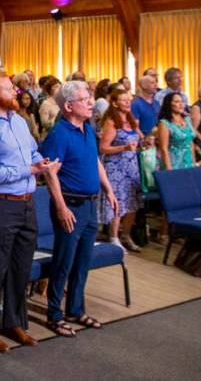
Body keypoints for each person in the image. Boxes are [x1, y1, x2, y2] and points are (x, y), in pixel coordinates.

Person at [0, 74, 59, 353]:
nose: (16, 91)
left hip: (26, 202)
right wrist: (30, 171)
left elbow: (33, 153)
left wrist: (42, 164)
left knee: (21, 269)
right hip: (0, 204)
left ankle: (13, 321)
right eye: (10, 89)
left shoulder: (20, 121)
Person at [41, 81, 118, 337]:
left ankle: (75, 309)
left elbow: (94, 160)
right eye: (85, 99)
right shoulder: (59, 134)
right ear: (68, 105)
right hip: (70, 205)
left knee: (82, 262)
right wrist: (61, 208)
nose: (90, 102)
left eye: (90, 97)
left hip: (90, 204)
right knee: (64, 262)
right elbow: (50, 175)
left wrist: (108, 189)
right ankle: (54, 314)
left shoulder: (86, 127)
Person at [98, 89, 145, 251]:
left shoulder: (131, 120)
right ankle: (114, 236)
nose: (127, 102)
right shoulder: (111, 122)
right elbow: (103, 148)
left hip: (131, 166)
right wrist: (124, 147)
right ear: (115, 103)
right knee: (118, 202)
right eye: (124, 100)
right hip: (116, 167)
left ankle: (127, 235)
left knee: (132, 203)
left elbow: (138, 141)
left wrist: (145, 143)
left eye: (129, 100)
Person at [156, 92, 195, 169]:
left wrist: (193, 163)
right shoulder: (164, 123)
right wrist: (170, 170)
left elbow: (190, 143)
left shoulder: (187, 120)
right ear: (169, 104)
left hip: (188, 161)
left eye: (182, 102)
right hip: (173, 163)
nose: (181, 104)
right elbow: (164, 149)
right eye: (177, 102)